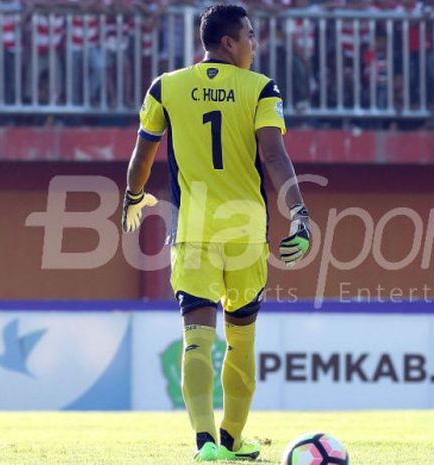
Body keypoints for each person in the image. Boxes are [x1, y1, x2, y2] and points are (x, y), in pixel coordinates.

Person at [121, 4, 311, 462]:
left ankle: (205, 443)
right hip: (246, 233)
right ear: (228, 42)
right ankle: (232, 439)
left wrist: (132, 195)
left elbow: (143, 154)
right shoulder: (261, 88)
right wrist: (299, 213)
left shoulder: (166, 87)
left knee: (197, 338)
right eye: (249, 35)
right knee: (242, 339)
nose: (254, 43)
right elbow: (273, 156)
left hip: (193, 232)